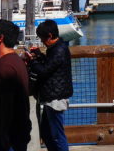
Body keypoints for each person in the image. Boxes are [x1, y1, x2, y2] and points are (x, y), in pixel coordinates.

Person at [0, 20, 31, 151]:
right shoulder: (15, 60)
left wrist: (4, 135)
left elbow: (7, 104)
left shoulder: (5, 67)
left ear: (0, 38)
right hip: (13, 134)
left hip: (7, 138)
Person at [28, 20, 73, 151]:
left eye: (42, 38)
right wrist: (39, 55)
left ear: (50, 35)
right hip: (51, 96)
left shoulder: (59, 50)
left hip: (56, 98)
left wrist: (32, 61)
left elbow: (44, 70)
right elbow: (50, 65)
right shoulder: (55, 49)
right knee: (47, 133)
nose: (42, 41)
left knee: (57, 135)